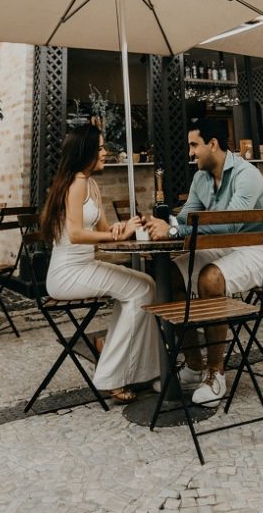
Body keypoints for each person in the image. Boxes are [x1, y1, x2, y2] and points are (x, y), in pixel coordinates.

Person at [145, 117, 263, 406]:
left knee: (210, 277)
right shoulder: (201, 179)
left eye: (194, 145)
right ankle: (195, 366)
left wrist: (172, 231)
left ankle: (216, 372)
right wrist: (158, 223)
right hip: (229, 249)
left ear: (213, 144)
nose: (190, 153)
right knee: (170, 274)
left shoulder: (247, 175)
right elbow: (186, 218)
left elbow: (230, 224)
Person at [41, 123, 159, 403]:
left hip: (85, 266)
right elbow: (77, 234)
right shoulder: (76, 183)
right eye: (101, 148)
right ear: (86, 153)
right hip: (68, 272)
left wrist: (123, 227)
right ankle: (111, 374)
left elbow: (105, 231)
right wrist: (113, 233)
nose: (106, 153)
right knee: (142, 290)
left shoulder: (91, 183)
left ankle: (121, 358)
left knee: (147, 285)